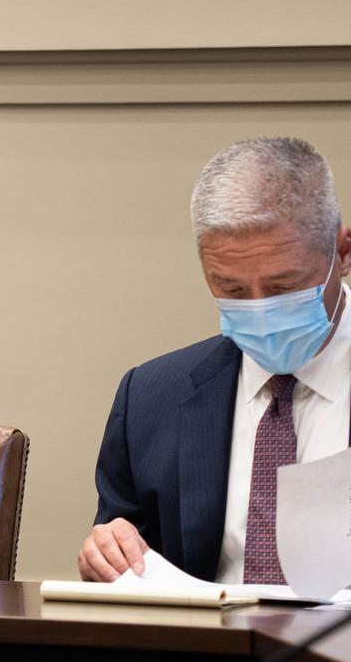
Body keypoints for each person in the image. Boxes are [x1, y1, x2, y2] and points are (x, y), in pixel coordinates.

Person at [80, 137, 351, 584]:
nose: (261, 308)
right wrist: (108, 558)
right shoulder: (151, 398)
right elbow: (128, 557)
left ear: (341, 253)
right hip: (205, 649)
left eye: (285, 286)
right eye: (233, 290)